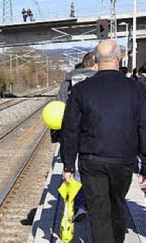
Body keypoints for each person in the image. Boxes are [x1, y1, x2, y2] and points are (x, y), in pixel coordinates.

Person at [61, 40, 146, 243]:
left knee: (99, 212)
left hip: (91, 160)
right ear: (119, 59)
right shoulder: (136, 89)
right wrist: (145, 165)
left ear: (96, 61)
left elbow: (70, 129)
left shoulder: (81, 90)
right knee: (118, 205)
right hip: (123, 158)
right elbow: (144, 126)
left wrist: (68, 165)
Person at [56, 52, 98, 221]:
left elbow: (59, 106)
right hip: (96, 134)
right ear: (95, 63)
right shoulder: (100, 80)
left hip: (72, 133)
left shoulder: (68, 81)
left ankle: (78, 205)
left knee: (74, 171)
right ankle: (90, 204)